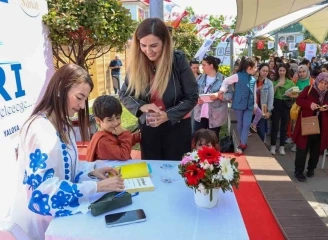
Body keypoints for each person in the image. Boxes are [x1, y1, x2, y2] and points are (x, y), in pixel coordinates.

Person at [9, 64, 125, 240]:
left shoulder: (63, 125)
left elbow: (67, 168)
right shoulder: (40, 130)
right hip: (43, 225)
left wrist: (92, 171)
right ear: (60, 89)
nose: (81, 105)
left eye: (84, 99)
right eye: (79, 97)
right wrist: (96, 186)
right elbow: (41, 192)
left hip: (60, 219)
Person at [120, 18, 198, 160]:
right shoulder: (136, 63)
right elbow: (124, 94)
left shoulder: (178, 60)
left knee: (177, 172)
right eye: (143, 45)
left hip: (177, 126)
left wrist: (167, 115)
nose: (148, 51)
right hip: (149, 127)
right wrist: (142, 107)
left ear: (165, 42)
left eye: (154, 46)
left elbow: (192, 96)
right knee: (152, 171)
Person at [292, 72, 328, 181]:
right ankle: (298, 171)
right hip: (307, 123)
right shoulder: (309, 89)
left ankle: (311, 169)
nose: (323, 85)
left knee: (316, 150)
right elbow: (299, 100)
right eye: (321, 82)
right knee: (302, 148)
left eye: (326, 84)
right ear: (317, 81)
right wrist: (309, 105)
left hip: (321, 127)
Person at [219, 56, 257, 153]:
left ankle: (243, 144)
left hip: (249, 105)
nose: (256, 69)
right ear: (249, 68)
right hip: (239, 104)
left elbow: (254, 91)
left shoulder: (253, 79)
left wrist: (255, 104)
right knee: (240, 123)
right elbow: (226, 81)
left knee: (247, 124)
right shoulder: (237, 76)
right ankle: (242, 141)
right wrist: (222, 90)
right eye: (255, 67)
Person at [86, 95, 139, 161]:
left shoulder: (110, 131)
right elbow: (124, 155)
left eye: (118, 118)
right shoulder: (102, 141)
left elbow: (122, 143)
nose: (116, 123)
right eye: (110, 120)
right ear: (98, 121)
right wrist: (124, 134)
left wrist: (137, 137)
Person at [193, 56, 233, 140]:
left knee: (213, 140)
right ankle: (197, 153)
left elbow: (230, 95)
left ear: (211, 66)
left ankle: (212, 153)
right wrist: (197, 99)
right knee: (197, 138)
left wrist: (219, 96)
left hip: (215, 116)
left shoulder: (223, 79)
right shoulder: (199, 78)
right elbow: (193, 93)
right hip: (200, 114)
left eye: (204, 65)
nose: (202, 67)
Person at [270, 64, 296, 156]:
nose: (281, 72)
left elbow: (295, 94)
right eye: (280, 70)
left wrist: (291, 95)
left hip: (286, 104)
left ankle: (282, 146)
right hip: (276, 103)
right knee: (275, 125)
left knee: (284, 126)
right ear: (278, 71)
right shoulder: (274, 81)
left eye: (283, 71)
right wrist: (277, 86)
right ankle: (273, 145)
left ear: (286, 72)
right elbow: (271, 94)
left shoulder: (290, 82)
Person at [250, 63, 274, 142]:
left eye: (267, 71)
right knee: (250, 131)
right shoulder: (252, 80)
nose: (265, 73)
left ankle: (262, 147)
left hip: (262, 110)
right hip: (251, 108)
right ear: (259, 70)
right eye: (263, 70)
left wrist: (269, 111)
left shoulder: (269, 83)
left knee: (261, 130)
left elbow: (271, 98)